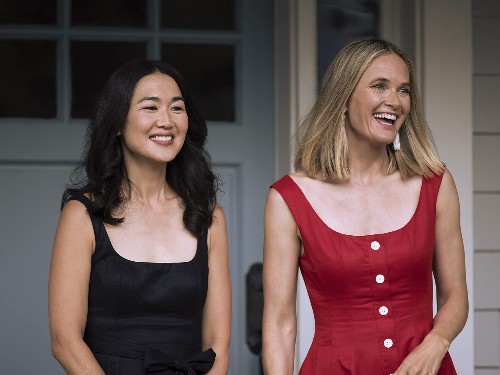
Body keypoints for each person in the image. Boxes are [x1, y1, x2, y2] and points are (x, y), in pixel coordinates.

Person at [262, 39, 468, 375]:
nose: (394, 101)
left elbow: (455, 296)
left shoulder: (435, 183)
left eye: (404, 90)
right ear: (343, 98)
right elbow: (280, 324)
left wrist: (435, 344)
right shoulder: (288, 198)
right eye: (379, 86)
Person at [48, 59, 231, 374]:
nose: (167, 121)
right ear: (117, 123)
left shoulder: (209, 217)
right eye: (150, 108)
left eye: (177, 108)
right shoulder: (82, 214)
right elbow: (65, 341)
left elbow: (219, 343)